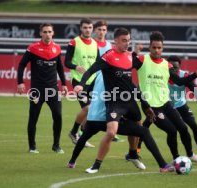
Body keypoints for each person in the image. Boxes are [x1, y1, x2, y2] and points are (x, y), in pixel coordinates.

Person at [74, 28, 174, 173]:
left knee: (141, 131)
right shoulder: (108, 57)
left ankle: (148, 160)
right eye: (124, 40)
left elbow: (131, 85)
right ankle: (96, 165)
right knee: (111, 133)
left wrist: (145, 104)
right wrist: (80, 85)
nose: (127, 43)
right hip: (115, 103)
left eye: (129, 41)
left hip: (131, 103)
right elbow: (90, 71)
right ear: (115, 41)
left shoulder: (129, 57)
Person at [133, 31, 197, 163]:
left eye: (159, 48)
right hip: (151, 106)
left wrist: (195, 74)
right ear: (149, 47)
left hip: (165, 103)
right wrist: (135, 53)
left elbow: (179, 81)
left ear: (163, 48)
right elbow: (126, 65)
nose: (156, 50)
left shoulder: (167, 65)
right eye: (154, 47)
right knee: (172, 130)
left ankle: (190, 154)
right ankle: (176, 157)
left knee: (183, 128)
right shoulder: (142, 60)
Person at [17, 23, 68, 154]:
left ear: (53, 33)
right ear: (40, 33)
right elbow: (22, 65)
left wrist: (63, 84)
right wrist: (20, 82)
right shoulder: (33, 48)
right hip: (37, 90)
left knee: (58, 116)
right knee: (33, 118)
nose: (47, 34)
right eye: (45, 32)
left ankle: (56, 145)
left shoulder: (56, 48)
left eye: (49, 32)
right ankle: (32, 147)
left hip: (53, 90)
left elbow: (60, 68)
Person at [167, 55, 197, 161]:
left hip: (181, 105)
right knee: (170, 130)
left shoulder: (184, 76)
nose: (174, 70)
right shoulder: (163, 75)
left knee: (194, 126)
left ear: (180, 67)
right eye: (171, 67)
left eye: (176, 67)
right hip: (167, 107)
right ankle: (136, 149)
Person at [65, 18, 98, 148]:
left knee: (93, 111)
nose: (87, 30)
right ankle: (74, 132)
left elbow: (98, 62)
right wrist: (75, 67)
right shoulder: (74, 42)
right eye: (85, 27)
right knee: (87, 108)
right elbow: (66, 62)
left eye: (90, 28)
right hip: (78, 81)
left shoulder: (95, 44)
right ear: (80, 28)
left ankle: (81, 135)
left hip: (92, 81)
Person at [93, 20, 121, 142]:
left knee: (108, 104)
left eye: (104, 30)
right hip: (94, 78)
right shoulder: (92, 44)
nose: (101, 32)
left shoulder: (109, 45)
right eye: (99, 29)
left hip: (107, 79)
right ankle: (80, 130)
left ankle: (111, 132)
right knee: (89, 106)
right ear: (95, 31)